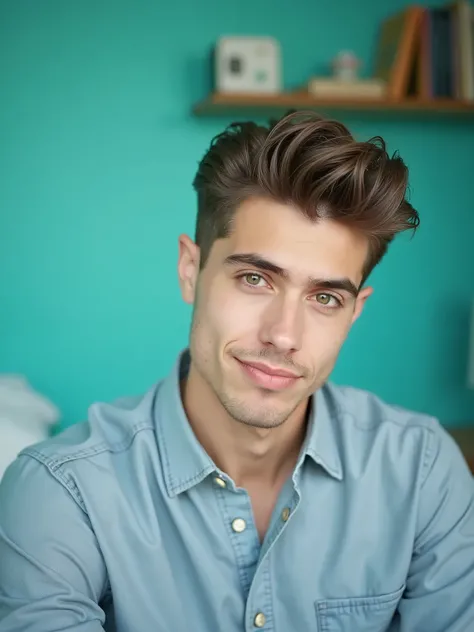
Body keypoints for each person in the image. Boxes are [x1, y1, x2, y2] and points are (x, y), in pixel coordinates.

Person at [0, 111, 473, 632]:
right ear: (190, 270)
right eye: (255, 278)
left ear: (354, 311)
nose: (284, 334)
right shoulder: (60, 493)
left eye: (324, 297)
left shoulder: (423, 473)